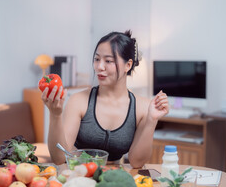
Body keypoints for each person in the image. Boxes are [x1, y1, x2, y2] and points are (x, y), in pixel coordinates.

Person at [41, 30, 169, 168]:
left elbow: (136, 162)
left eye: (108, 61)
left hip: (115, 179)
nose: (99, 67)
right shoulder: (79, 101)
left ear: (128, 65)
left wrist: (152, 120)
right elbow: (59, 158)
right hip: (79, 174)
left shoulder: (142, 107)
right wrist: (55, 115)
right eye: (97, 59)